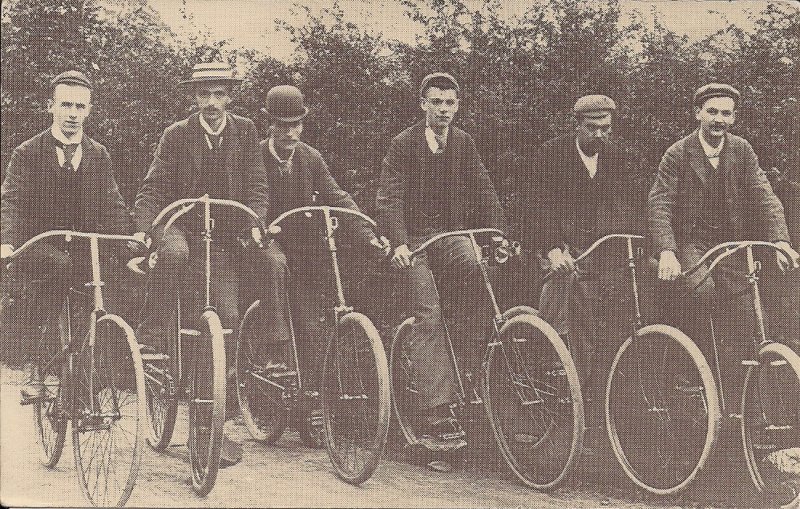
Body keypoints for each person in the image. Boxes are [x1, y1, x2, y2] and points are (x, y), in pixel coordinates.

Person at [132, 62, 270, 466]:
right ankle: (153, 330)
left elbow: (258, 184)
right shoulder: (176, 135)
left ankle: (211, 423)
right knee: (173, 255)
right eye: (204, 94)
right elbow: (153, 187)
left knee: (226, 317)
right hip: (182, 228)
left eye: (219, 94)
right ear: (194, 97)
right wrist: (144, 231)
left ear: (230, 96)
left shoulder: (245, 132)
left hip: (222, 238)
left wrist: (256, 222)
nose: (212, 103)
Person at [376, 73, 505, 452]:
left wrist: (497, 232)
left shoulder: (463, 143)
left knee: (480, 271)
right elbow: (389, 198)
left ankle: (473, 377)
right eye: (437, 102)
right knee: (428, 312)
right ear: (423, 104)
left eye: (450, 103)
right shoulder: (403, 145)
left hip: (449, 236)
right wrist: (398, 243)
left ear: (457, 105)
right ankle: (436, 413)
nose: (444, 110)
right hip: (415, 240)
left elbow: (484, 188)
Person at [649, 83, 799, 405]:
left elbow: (765, 196)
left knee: (748, 312)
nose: (719, 119)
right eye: (712, 111)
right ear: (698, 114)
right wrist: (667, 251)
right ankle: (689, 370)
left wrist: (781, 241)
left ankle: (743, 402)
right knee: (700, 291)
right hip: (691, 243)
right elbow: (660, 203)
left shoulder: (741, 150)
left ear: (733, 118)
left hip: (731, 245)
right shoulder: (678, 153)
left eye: (726, 113)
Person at [520, 95, 644, 445]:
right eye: (593, 128)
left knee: (626, 305)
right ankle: (548, 368)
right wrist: (552, 247)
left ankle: (610, 408)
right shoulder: (550, 155)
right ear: (577, 126)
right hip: (559, 249)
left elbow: (632, 206)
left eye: (606, 128)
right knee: (566, 290)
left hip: (602, 253)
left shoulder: (618, 158)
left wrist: (638, 245)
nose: (601, 135)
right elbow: (535, 205)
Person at [1, 70, 131, 401]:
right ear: (51, 107)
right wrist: (7, 241)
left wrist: (131, 248)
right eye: (66, 105)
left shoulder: (98, 154)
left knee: (110, 282)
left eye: (80, 107)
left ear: (89, 110)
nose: (73, 114)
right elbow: (11, 201)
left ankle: (85, 378)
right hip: (40, 248)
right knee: (58, 267)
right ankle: (36, 367)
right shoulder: (27, 153)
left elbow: (113, 206)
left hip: (84, 248)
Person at [256, 85, 387, 393]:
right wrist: (259, 227)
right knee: (276, 266)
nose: (290, 134)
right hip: (268, 240)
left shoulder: (310, 158)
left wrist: (368, 234)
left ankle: (334, 389)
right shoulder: (255, 157)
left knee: (327, 300)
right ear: (270, 124)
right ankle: (277, 353)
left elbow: (337, 196)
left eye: (296, 125)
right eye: (283, 126)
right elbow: (251, 198)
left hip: (305, 245)